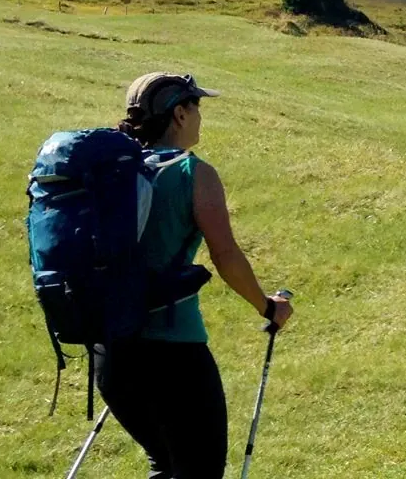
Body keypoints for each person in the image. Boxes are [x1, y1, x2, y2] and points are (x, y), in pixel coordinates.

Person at [98, 72, 294, 479]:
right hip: (173, 354)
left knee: (165, 464)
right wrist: (267, 307)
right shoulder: (193, 173)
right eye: (197, 106)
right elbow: (225, 256)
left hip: (111, 353)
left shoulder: (109, 171)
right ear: (180, 114)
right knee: (198, 470)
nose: (202, 116)